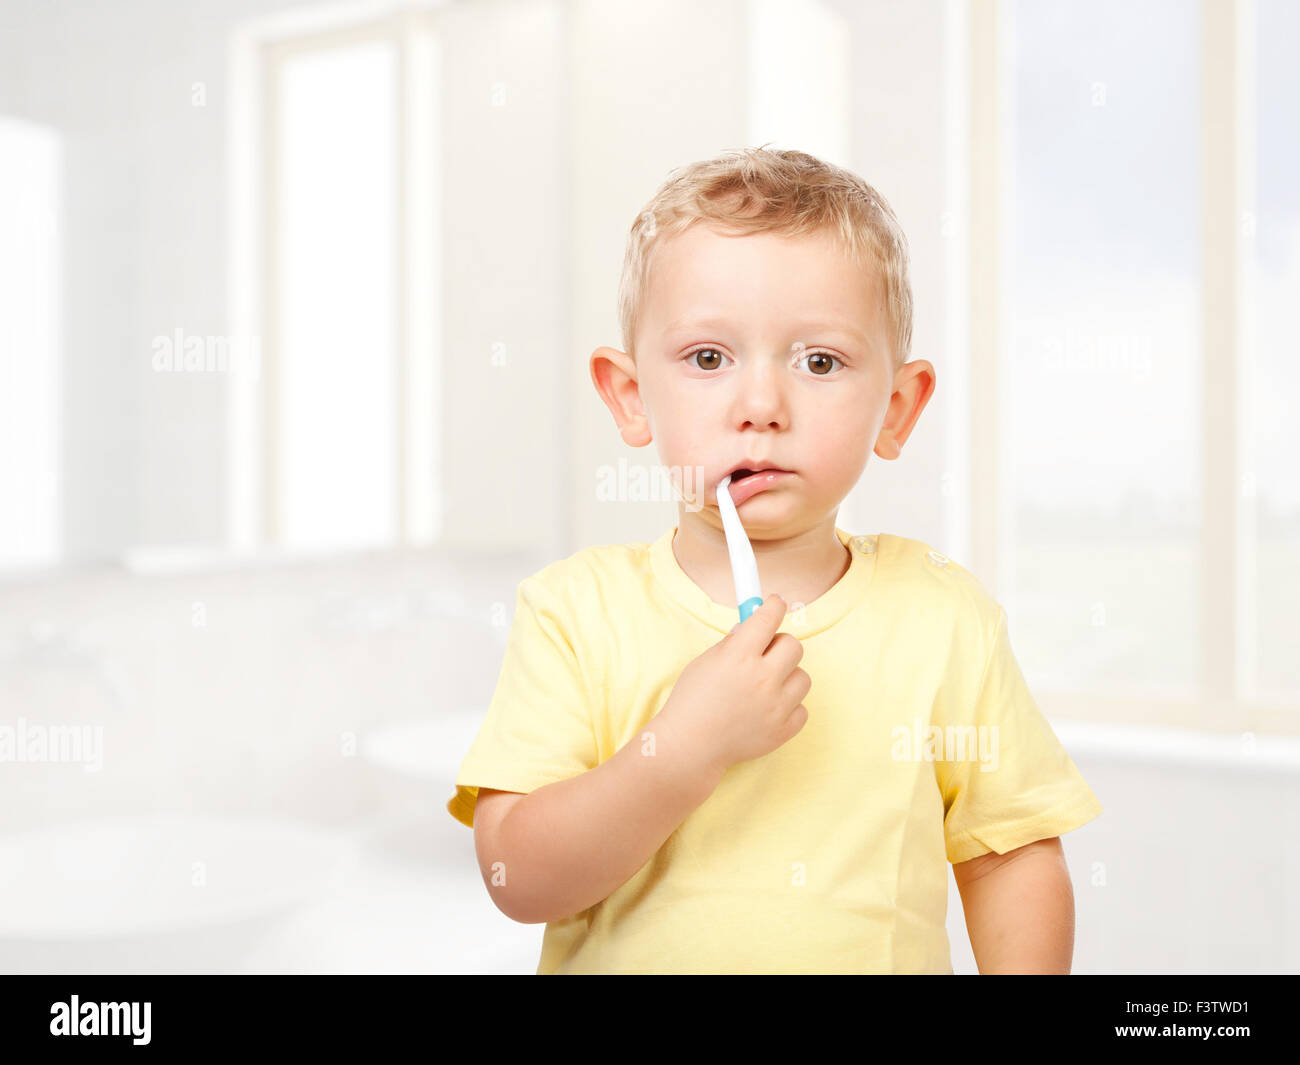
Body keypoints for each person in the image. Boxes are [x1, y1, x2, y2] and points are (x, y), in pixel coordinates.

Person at [446, 145, 1103, 974]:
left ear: (896, 409)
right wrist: (682, 750)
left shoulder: (944, 615)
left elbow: (1009, 856)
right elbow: (518, 876)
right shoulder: (574, 611)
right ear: (630, 396)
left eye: (819, 361)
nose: (760, 407)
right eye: (709, 358)